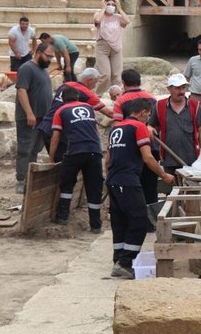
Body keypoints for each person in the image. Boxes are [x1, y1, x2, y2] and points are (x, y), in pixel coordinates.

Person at [106, 98, 175, 279]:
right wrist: (164, 175)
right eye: (148, 115)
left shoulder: (115, 128)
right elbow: (148, 157)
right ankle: (125, 262)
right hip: (128, 180)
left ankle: (118, 259)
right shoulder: (139, 127)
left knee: (120, 221)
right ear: (143, 112)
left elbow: (108, 160)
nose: (148, 118)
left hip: (113, 180)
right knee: (140, 220)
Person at [49, 86, 104, 233]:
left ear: (63, 100)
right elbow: (95, 131)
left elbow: (55, 137)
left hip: (75, 151)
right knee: (94, 188)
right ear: (77, 97)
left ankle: (62, 218)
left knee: (67, 184)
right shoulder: (88, 108)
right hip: (94, 151)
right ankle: (96, 226)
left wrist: (51, 158)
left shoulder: (60, 110)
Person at [37, 68, 113, 162]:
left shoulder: (65, 85)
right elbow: (109, 113)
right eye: (95, 82)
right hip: (59, 131)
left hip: (46, 126)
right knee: (63, 164)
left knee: (58, 162)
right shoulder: (87, 94)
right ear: (89, 80)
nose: (95, 85)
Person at [113, 69, 160, 203]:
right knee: (150, 188)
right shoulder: (152, 98)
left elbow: (117, 127)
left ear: (123, 83)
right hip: (151, 148)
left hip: (130, 152)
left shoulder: (120, 102)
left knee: (132, 190)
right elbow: (157, 124)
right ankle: (151, 213)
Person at [14, 42, 54, 194]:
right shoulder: (27, 68)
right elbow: (22, 91)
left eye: (51, 57)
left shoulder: (43, 70)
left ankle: (30, 179)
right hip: (29, 118)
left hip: (42, 118)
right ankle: (21, 180)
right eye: (48, 56)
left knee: (35, 150)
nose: (50, 59)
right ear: (38, 52)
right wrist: (29, 113)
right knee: (25, 149)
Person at [148, 73, 201, 174]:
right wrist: (149, 128)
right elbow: (151, 125)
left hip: (191, 157)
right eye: (178, 88)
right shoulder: (159, 106)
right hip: (169, 157)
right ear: (169, 89)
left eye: (184, 88)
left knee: (191, 183)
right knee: (171, 183)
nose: (182, 91)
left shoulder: (195, 106)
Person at [93, 0, 130, 94]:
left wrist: (120, 8)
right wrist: (103, 8)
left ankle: (116, 96)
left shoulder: (118, 17)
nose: (111, 6)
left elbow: (127, 21)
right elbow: (97, 20)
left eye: (113, 5)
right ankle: (98, 95)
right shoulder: (99, 15)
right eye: (108, 4)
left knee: (117, 75)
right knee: (105, 75)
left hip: (116, 47)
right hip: (103, 47)